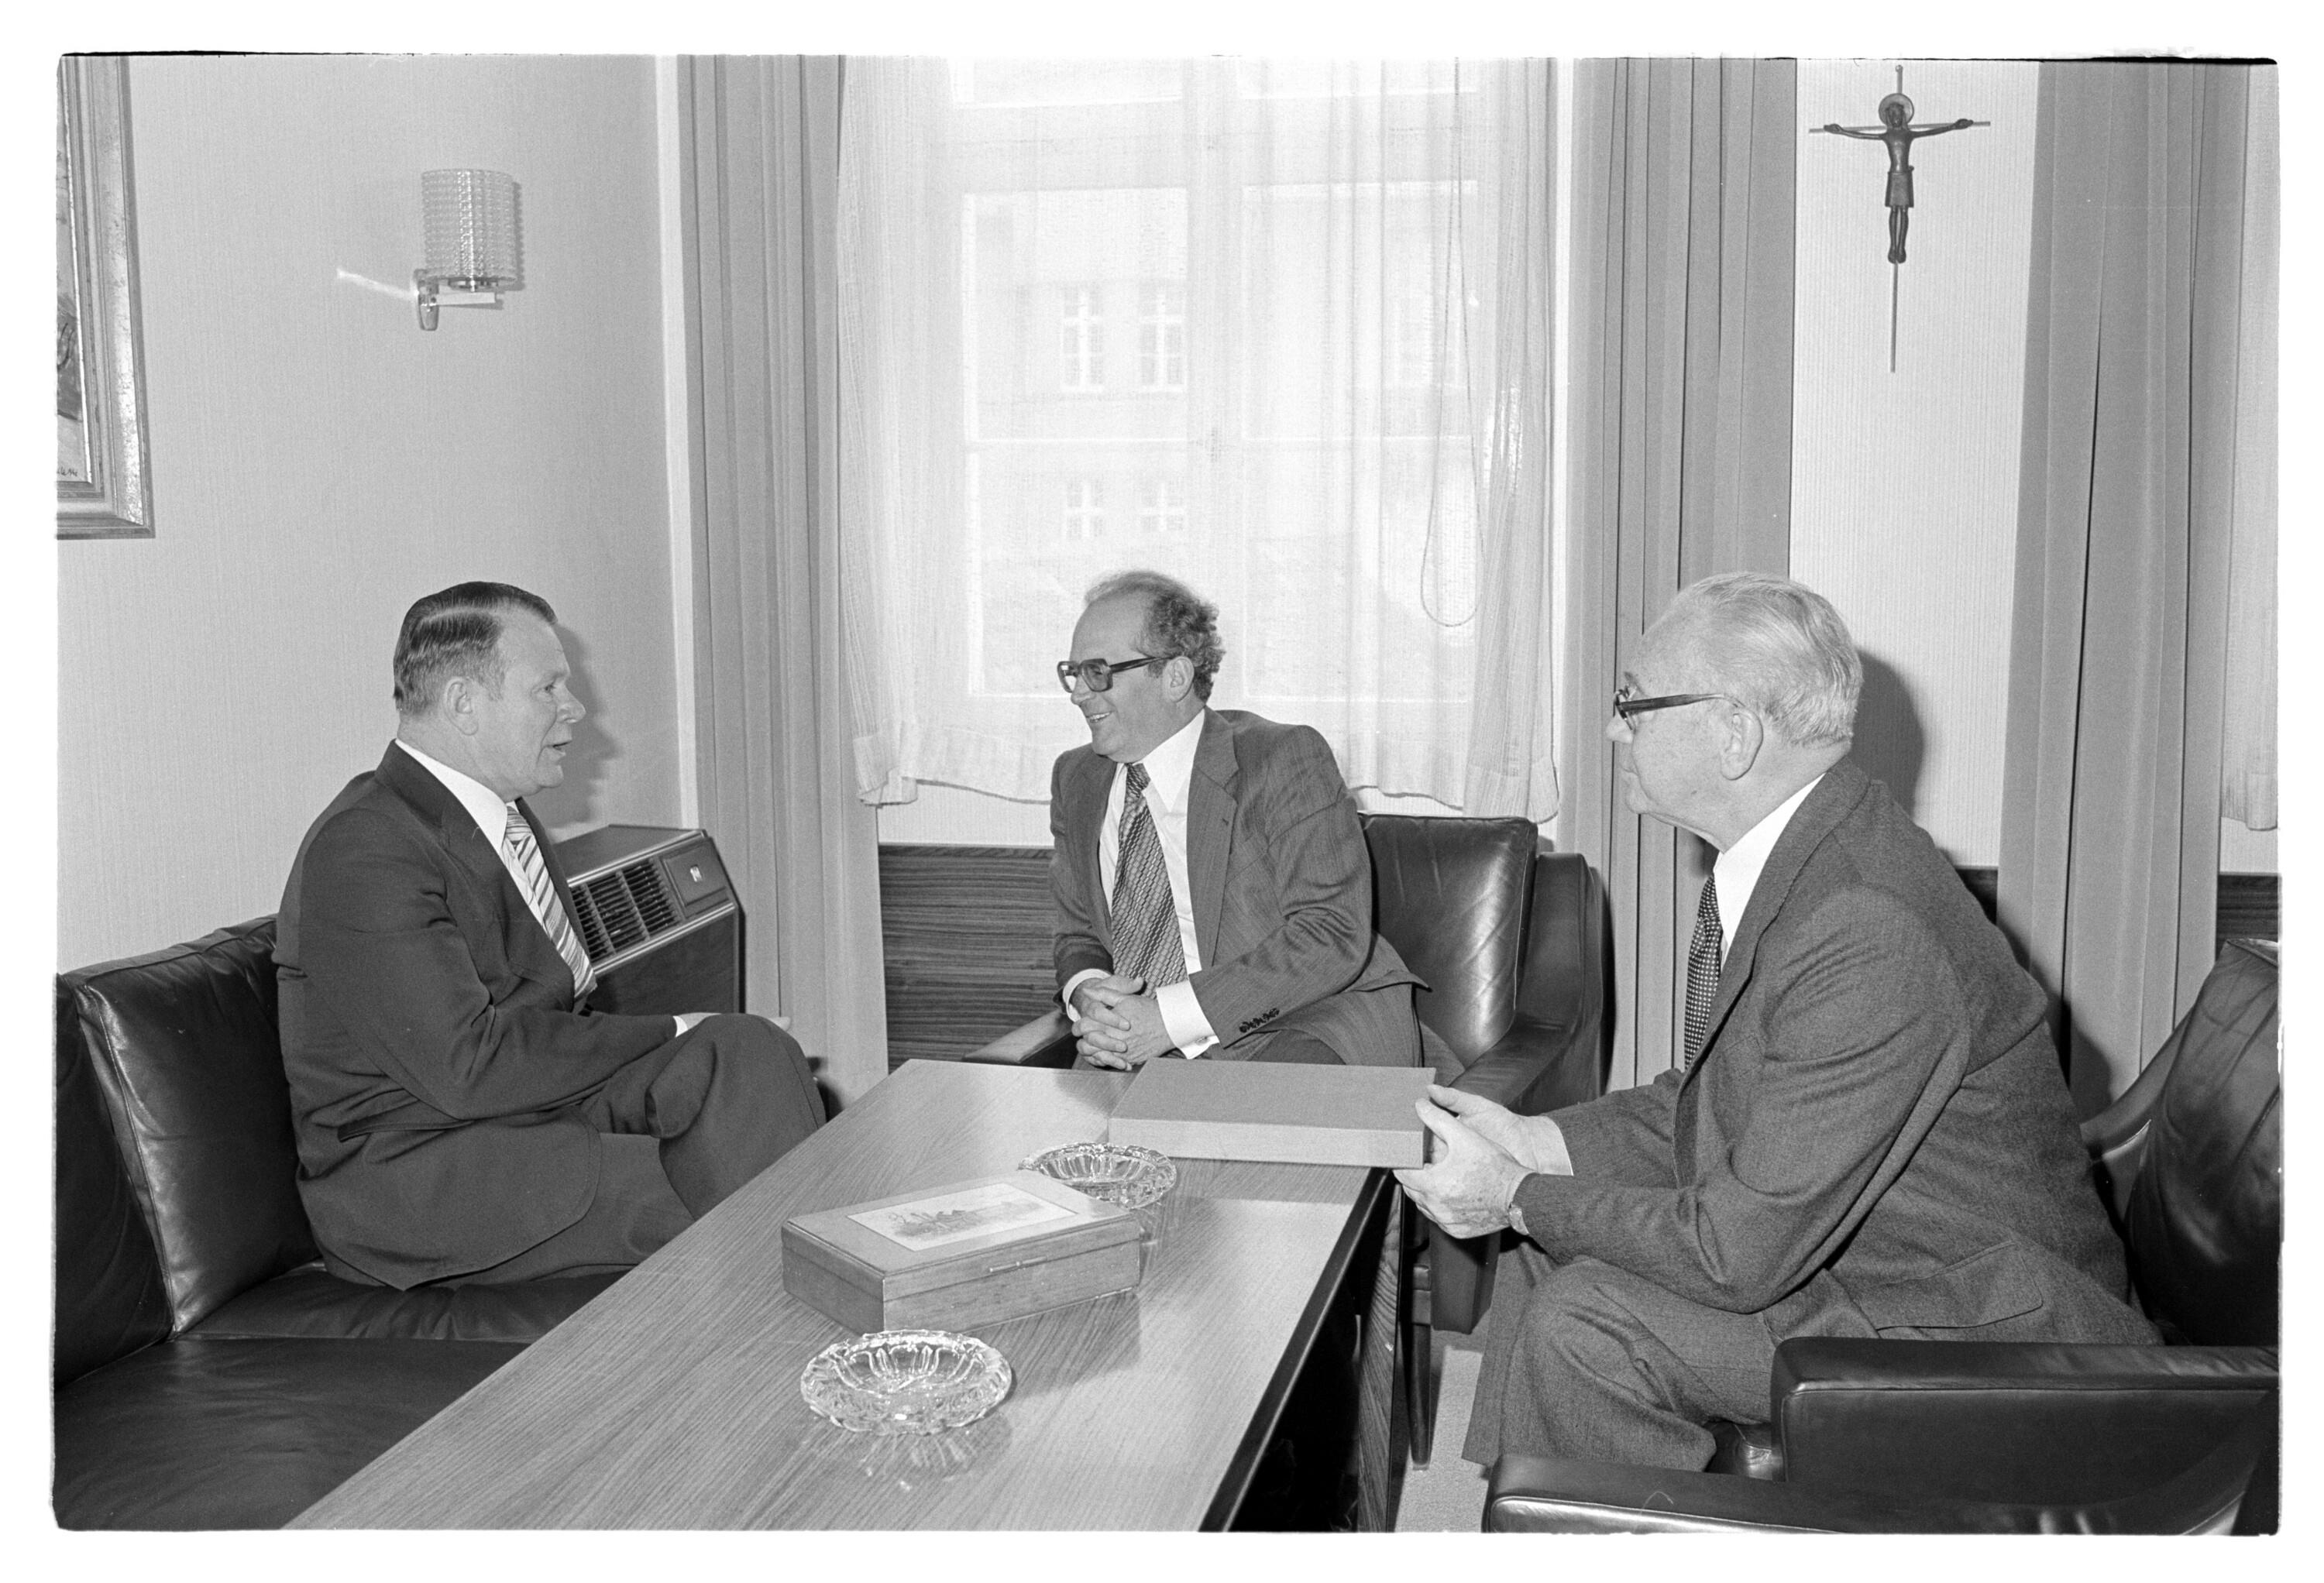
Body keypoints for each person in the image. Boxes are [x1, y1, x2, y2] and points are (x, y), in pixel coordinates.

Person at [1395, 572, 2154, 1471]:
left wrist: (1514, 1192)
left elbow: (1737, 1254)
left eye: (1633, 704)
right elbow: (1715, 1099)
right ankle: (1528, 1510)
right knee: (1551, 1242)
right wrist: (1536, 1143)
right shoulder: (1804, 858)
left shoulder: (1864, 921)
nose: (1614, 730)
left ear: (1734, 733)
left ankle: (1577, 1525)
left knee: (1585, 1317)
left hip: (1981, 1322)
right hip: (1887, 1256)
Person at [276, 582, 824, 1289]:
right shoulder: (366, 846)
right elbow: (466, 1066)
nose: (575, 708)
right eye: (548, 688)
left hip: (523, 1112)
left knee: (747, 1047)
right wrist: (673, 1027)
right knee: (728, 1196)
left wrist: (697, 1031)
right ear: (465, 704)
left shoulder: (499, 817)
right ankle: (824, 1304)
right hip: (423, 1174)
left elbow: (541, 1017)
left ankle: (825, 1282)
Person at [1051, 569, 1421, 1070]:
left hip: (1301, 1024)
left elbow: (1331, 931)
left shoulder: (1282, 759)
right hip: (1132, 1043)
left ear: (1175, 677)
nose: (1078, 693)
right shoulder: (1077, 779)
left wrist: (1169, 1019)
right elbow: (1078, 934)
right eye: (1073, 672)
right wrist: (1090, 995)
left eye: (1097, 672)